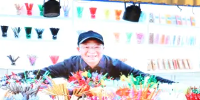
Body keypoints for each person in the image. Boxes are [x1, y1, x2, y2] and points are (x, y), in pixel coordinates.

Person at [23, 30, 175, 84]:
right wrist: (11, 79)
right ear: (78, 49)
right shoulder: (70, 64)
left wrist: (175, 86)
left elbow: (144, 77)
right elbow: (42, 73)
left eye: (96, 47)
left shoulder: (115, 64)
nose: (92, 51)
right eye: (86, 47)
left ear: (103, 49)